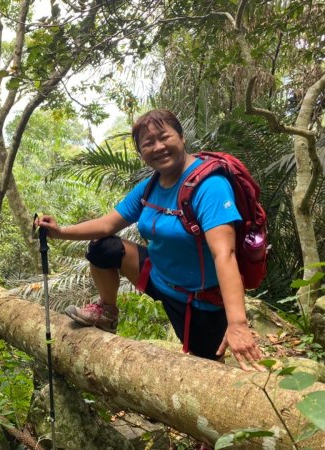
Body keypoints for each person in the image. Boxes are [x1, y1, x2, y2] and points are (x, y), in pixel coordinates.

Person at [37, 109, 264, 371]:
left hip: (199, 301)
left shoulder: (209, 186)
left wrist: (237, 324)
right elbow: (108, 224)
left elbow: (224, 255)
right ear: (141, 152)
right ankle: (107, 313)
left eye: (164, 137)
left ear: (181, 136)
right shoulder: (150, 186)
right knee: (103, 247)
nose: (158, 147)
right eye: (148, 143)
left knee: (206, 365)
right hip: (159, 278)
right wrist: (61, 231)